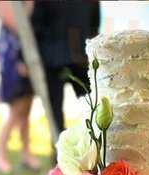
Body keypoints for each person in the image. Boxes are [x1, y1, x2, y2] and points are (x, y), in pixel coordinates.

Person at [30, 0, 100, 135]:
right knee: (92, 106)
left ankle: (60, 149)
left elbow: (36, 27)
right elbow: (94, 28)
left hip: (53, 58)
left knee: (55, 111)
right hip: (79, 56)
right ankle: (98, 143)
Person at [0, 0, 40, 173]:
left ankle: (26, 154)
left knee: (25, 112)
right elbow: (14, 23)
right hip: (15, 61)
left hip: (26, 58)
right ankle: (0, 155)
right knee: (16, 112)